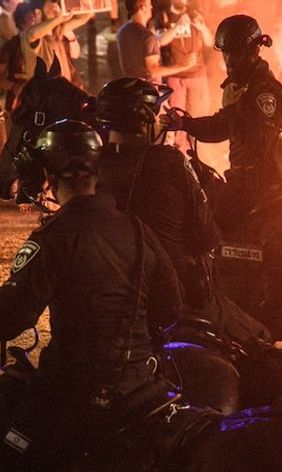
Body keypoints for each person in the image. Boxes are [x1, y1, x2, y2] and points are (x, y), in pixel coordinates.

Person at [0, 118, 181, 462]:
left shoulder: (52, 238)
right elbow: (171, 307)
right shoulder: (137, 229)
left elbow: (10, 320)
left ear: (49, 177)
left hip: (71, 388)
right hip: (139, 386)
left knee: (6, 457)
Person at [94, 77, 219, 315]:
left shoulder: (92, 166)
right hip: (170, 294)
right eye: (157, 112)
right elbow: (207, 235)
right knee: (255, 338)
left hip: (107, 289)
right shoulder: (170, 161)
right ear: (145, 119)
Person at [159, 14, 282, 220]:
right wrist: (185, 124)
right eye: (226, 53)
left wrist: (186, 124)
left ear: (255, 50)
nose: (229, 60)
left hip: (261, 183)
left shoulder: (264, 91)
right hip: (242, 178)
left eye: (236, 53)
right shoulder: (239, 85)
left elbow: (223, 126)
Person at [116, 0, 194, 82]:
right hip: (148, 90)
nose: (151, 7)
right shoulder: (147, 36)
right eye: (149, 4)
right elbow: (154, 71)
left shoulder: (122, 32)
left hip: (130, 87)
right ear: (142, 7)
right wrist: (182, 66)